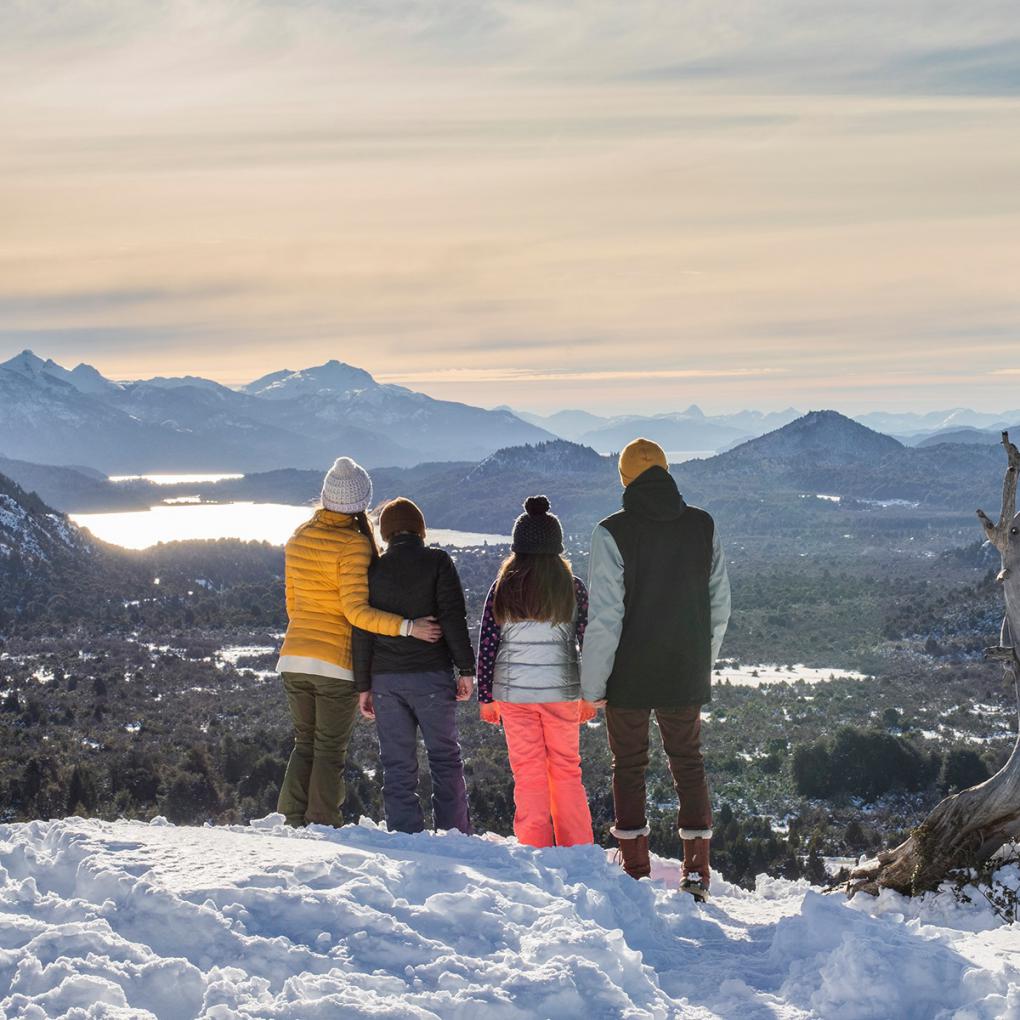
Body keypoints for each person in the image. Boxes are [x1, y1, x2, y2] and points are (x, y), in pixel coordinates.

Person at [581, 438, 731, 900]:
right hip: (684, 670)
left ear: (624, 479)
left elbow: (606, 618)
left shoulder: (611, 532)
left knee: (628, 766)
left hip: (627, 674)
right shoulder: (702, 525)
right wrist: (701, 662)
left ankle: (634, 871)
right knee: (688, 764)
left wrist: (592, 685)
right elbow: (719, 604)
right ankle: (696, 874)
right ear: (667, 473)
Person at [275, 458, 442, 828]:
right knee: (329, 748)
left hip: (293, 657)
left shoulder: (298, 537)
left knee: (305, 743)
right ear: (363, 503)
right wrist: (407, 627)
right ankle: (321, 823)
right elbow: (356, 612)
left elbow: (292, 604)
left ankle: (288, 821)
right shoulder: (354, 545)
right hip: (333, 663)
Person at [476, 495, 596, 848]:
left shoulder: (503, 587)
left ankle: (534, 846)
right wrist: (590, 693)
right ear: (557, 546)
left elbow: (487, 643)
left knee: (528, 773)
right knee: (566, 770)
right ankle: (578, 848)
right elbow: (589, 643)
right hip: (562, 692)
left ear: (517, 547)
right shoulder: (572, 587)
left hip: (514, 695)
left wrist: (486, 697)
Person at [353, 498, 475, 834]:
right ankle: (454, 837)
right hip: (431, 677)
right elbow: (452, 618)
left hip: (386, 681)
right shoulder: (437, 561)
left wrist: (363, 685)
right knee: (445, 759)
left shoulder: (372, 569)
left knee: (397, 765)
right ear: (420, 529)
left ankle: (406, 838)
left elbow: (362, 629)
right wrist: (466, 669)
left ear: (385, 531)